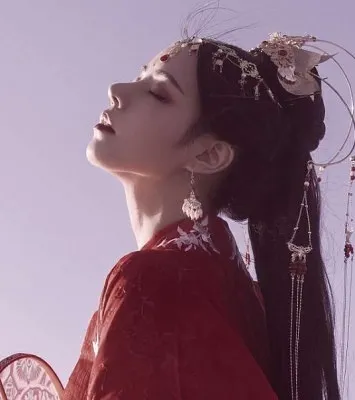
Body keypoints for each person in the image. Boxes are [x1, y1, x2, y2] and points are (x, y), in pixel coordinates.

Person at [63, 31, 340, 400]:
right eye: (140, 76)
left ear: (209, 155)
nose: (117, 90)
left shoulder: (151, 284)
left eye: (159, 94)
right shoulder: (242, 299)